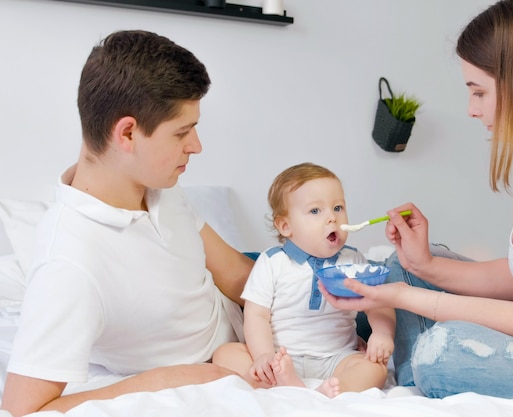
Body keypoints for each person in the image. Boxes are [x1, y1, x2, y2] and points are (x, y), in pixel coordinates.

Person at [321, 0, 513, 406]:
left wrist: (399, 298)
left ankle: (427, 372)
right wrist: (423, 265)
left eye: (479, 92)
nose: (471, 109)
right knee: (399, 269)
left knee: (443, 346)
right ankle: (428, 374)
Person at [1, 30, 254, 416]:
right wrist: (167, 379)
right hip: (230, 352)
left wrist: (301, 298)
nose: (196, 146)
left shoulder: (158, 185)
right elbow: (23, 409)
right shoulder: (69, 263)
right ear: (128, 133)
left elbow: (236, 273)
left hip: (257, 317)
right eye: (183, 132)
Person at [212, 162, 395, 398]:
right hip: (281, 356)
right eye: (316, 211)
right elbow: (256, 315)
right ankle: (282, 382)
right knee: (225, 354)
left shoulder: (353, 260)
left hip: (337, 358)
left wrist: (381, 334)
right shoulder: (272, 262)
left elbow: (378, 303)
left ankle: (325, 392)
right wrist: (264, 356)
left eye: (338, 207)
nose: (332, 218)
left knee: (374, 369)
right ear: (286, 226)